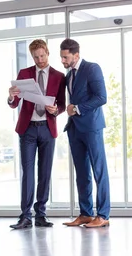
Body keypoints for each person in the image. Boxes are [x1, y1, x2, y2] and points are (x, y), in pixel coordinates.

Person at [8, 39, 66, 229]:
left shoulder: (58, 76)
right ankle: (25, 216)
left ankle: (40, 214)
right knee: (27, 173)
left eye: (42, 55)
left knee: (45, 172)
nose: (40, 60)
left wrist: (55, 110)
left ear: (47, 53)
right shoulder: (24, 74)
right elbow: (14, 103)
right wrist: (11, 96)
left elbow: (62, 104)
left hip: (48, 128)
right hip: (28, 128)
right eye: (36, 57)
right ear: (32, 56)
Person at [60, 38, 110, 228]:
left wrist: (78, 108)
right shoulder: (69, 75)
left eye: (66, 57)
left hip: (91, 127)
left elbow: (101, 97)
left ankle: (103, 215)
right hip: (74, 129)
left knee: (99, 171)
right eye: (62, 57)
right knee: (82, 173)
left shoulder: (92, 68)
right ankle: (86, 213)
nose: (63, 61)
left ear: (76, 55)